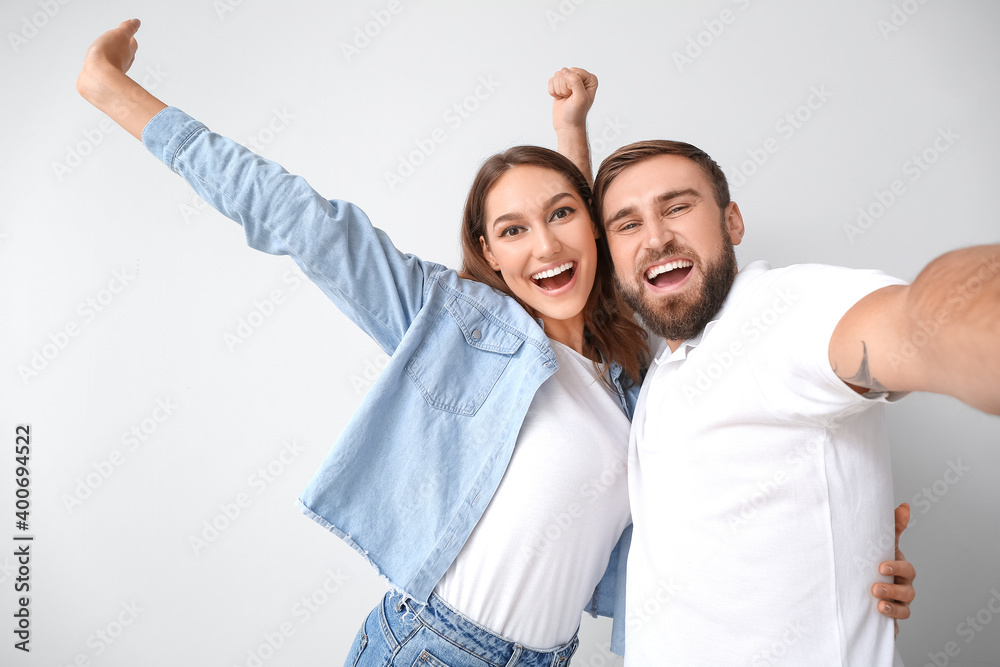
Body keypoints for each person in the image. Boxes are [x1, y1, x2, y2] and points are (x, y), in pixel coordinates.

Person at [76, 19, 916, 665]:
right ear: (487, 253)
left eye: (560, 217)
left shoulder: (639, 379)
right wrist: (120, 94)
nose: (543, 247)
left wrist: (855, 559)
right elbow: (301, 222)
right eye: (509, 230)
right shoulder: (453, 323)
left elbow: (714, 509)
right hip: (433, 647)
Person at [586, 137, 997, 665]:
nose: (656, 238)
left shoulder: (780, 313)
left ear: (731, 222)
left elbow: (921, 320)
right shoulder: (665, 367)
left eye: (678, 207)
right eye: (628, 224)